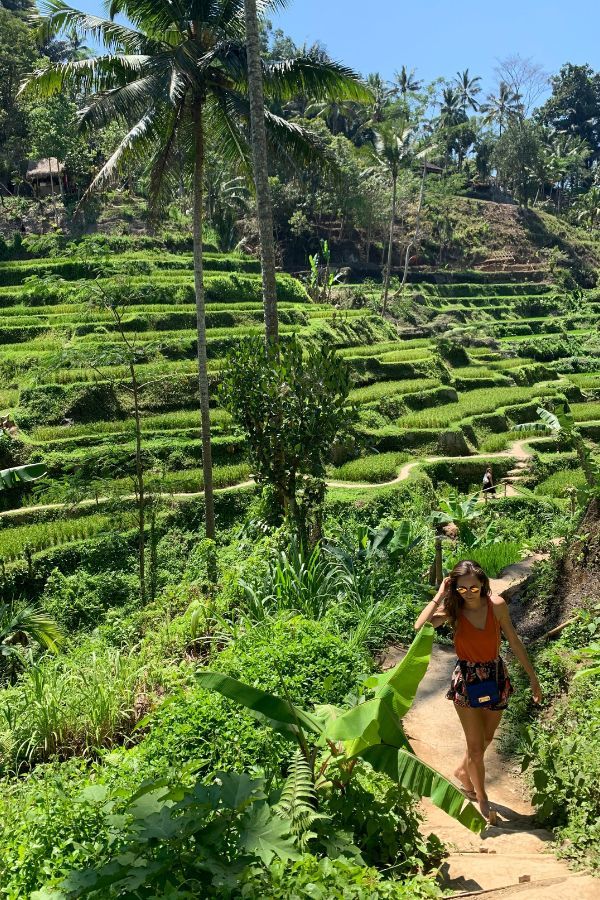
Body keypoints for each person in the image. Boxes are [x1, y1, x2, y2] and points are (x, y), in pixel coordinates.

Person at [414, 559, 542, 824]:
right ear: (455, 589)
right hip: (467, 680)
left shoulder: (497, 606)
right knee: (475, 746)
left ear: (483, 584)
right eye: (462, 588)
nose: (469, 593)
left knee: (486, 738)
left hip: (495, 676)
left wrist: (533, 677)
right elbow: (420, 626)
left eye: (474, 587)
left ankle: (463, 772)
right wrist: (440, 594)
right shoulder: (455, 611)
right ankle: (481, 798)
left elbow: (514, 641)